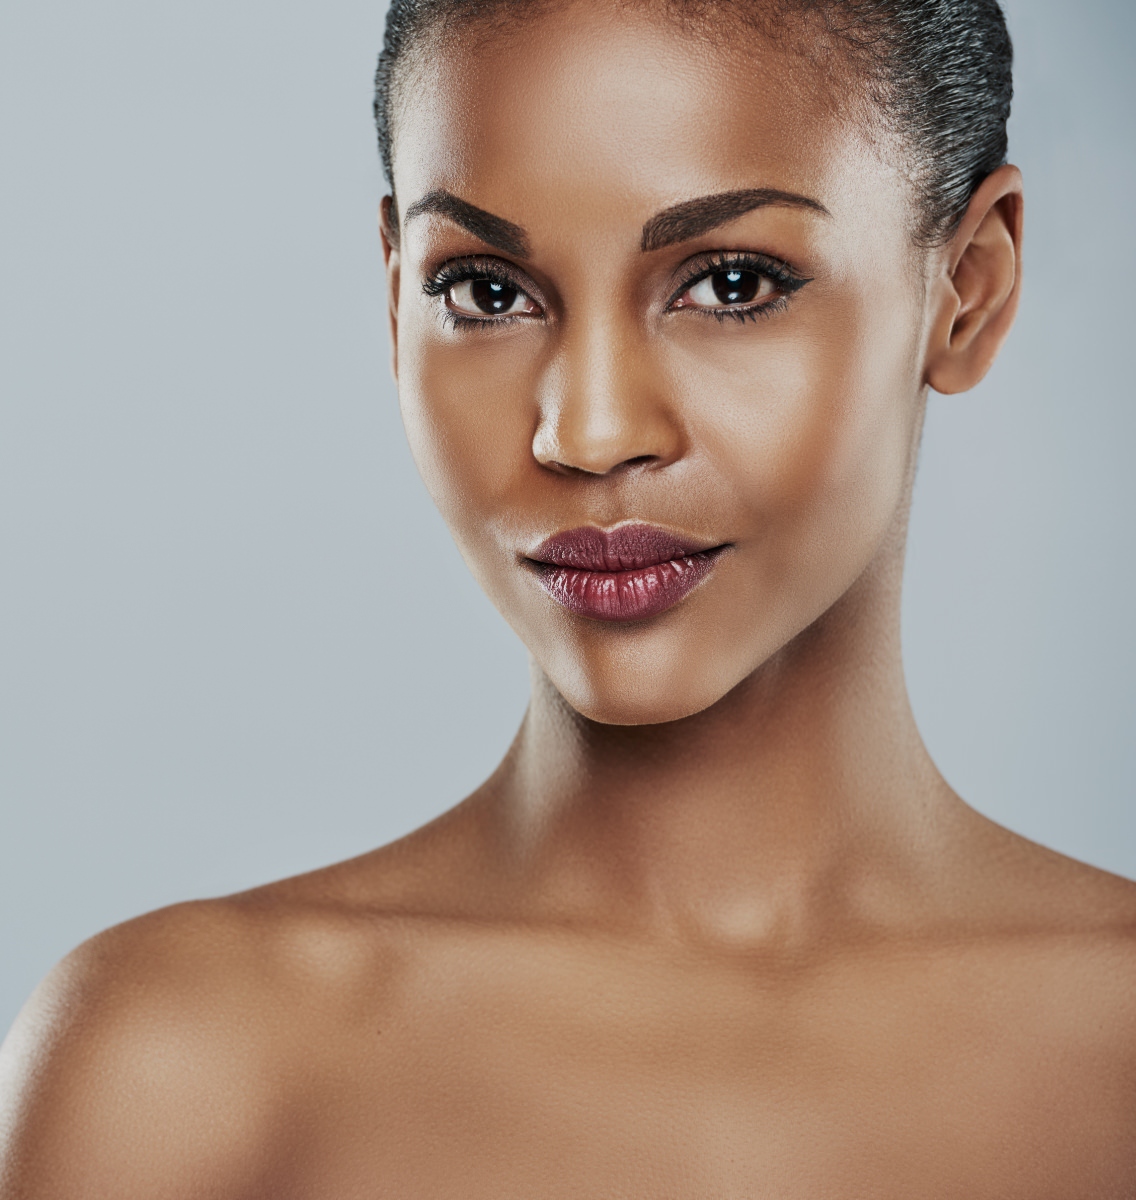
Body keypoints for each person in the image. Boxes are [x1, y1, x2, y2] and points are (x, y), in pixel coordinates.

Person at [2, 0, 1134, 1194]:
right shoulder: (177, 1073)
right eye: (486, 293)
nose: (588, 433)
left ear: (968, 288)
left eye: (730, 283)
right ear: (394, 302)